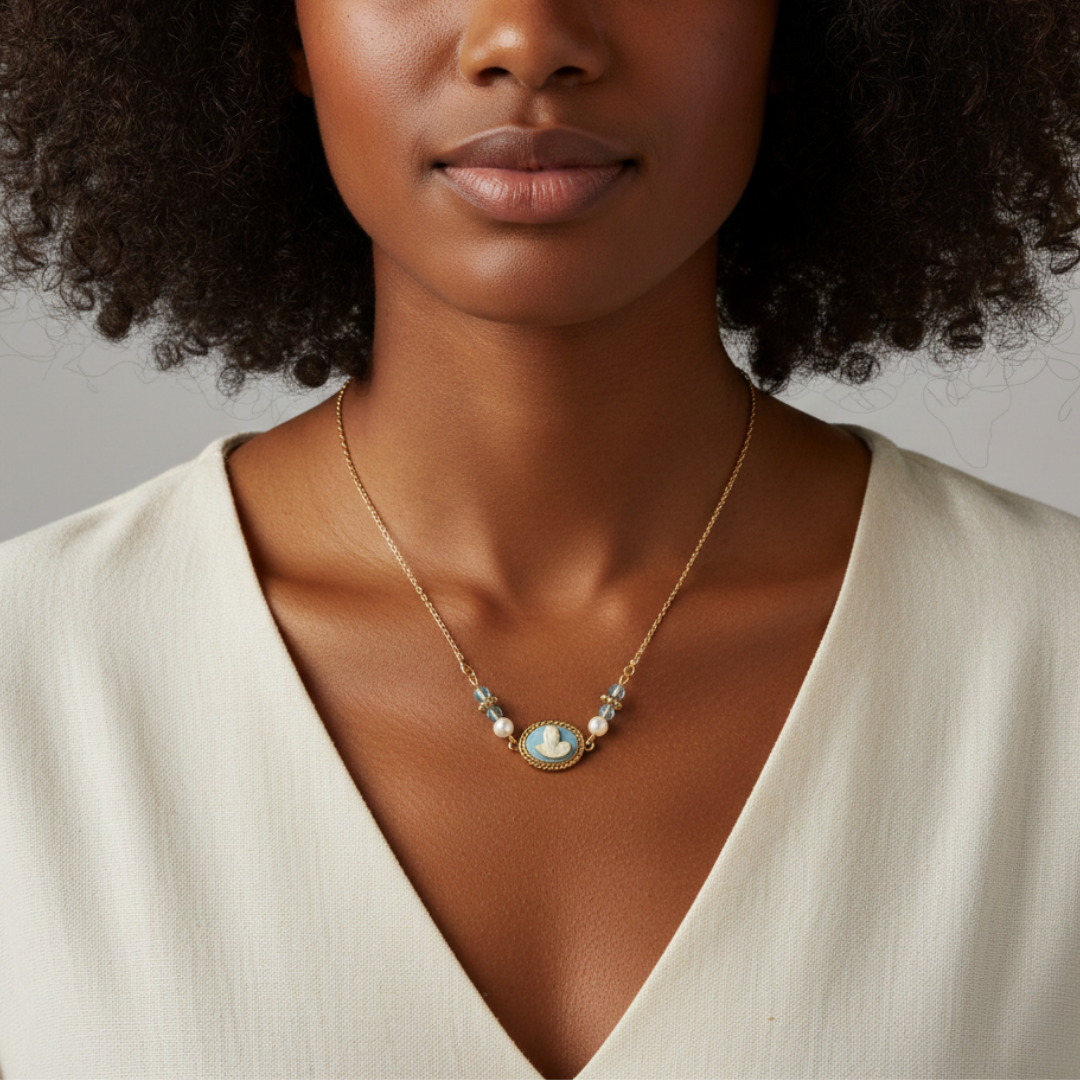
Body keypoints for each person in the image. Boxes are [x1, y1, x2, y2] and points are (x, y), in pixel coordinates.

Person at [1, 1, 1078, 1077]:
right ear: (279, 30)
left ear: (799, 23)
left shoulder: (1051, 659)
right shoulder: (30, 677)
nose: (527, 37)